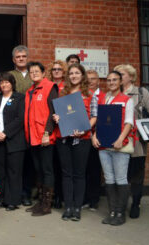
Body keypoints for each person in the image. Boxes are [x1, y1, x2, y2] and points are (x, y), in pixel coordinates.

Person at [114, 64, 149, 219]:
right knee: (120, 174)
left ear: (130, 76)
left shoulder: (141, 93)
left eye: (121, 74)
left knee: (136, 174)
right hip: (118, 140)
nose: (119, 77)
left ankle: (136, 203)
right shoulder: (113, 93)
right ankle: (120, 204)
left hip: (136, 141)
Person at [92, 70, 134, 226]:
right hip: (103, 146)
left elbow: (129, 122)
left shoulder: (126, 100)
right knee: (109, 179)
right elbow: (99, 121)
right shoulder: (103, 99)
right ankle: (112, 211)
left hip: (119, 146)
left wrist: (120, 139)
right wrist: (94, 136)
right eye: (109, 80)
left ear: (120, 82)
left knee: (120, 178)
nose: (111, 83)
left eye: (115, 80)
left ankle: (120, 213)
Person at [52, 64, 93, 221]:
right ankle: (68, 206)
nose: (74, 75)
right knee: (66, 174)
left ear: (82, 76)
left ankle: (77, 208)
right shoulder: (62, 94)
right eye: (71, 73)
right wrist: (57, 118)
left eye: (77, 73)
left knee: (79, 174)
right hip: (63, 138)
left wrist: (84, 129)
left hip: (82, 139)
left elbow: (94, 116)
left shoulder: (89, 95)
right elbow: (58, 114)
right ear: (67, 76)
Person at [0, 72, 26, 211]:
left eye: (7, 82)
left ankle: (13, 201)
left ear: (12, 83)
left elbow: (20, 119)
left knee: (14, 172)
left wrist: (5, 133)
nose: (4, 84)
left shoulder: (20, 98)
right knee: (0, 172)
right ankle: (2, 198)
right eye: (1, 82)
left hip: (14, 140)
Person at [24, 61, 58, 216]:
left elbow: (53, 112)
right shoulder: (30, 91)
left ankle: (47, 204)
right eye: (31, 72)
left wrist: (47, 133)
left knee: (47, 170)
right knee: (38, 170)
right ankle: (40, 202)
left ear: (43, 73)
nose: (34, 74)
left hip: (44, 137)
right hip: (32, 137)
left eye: (37, 71)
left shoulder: (50, 87)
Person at [10, 45, 33, 206]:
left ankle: (26, 193)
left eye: (24, 56)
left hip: (32, 123)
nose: (21, 59)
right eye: (18, 57)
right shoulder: (10, 75)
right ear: (14, 59)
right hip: (15, 122)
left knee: (29, 162)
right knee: (16, 162)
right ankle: (15, 194)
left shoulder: (34, 74)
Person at [45, 59, 68, 209]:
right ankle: (52, 197)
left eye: (59, 69)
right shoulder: (48, 86)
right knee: (51, 166)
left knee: (62, 167)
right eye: (54, 69)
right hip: (51, 131)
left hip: (64, 131)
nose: (57, 71)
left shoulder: (67, 87)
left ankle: (60, 196)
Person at [84, 69, 103, 211]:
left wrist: (95, 134)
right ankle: (85, 198)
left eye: (93, 78)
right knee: (84, 169)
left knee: (95, 170)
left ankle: (94, 200)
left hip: (98, 138)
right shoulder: (82, 95)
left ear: (98, 80)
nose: (91, 81)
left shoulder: (104, 96)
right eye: (88, 78)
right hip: (84, 137)